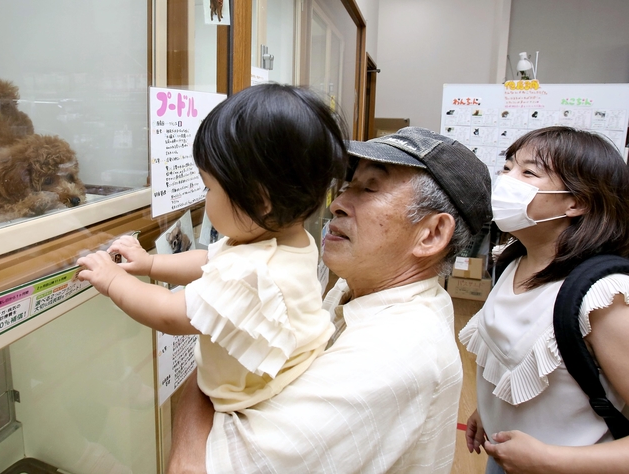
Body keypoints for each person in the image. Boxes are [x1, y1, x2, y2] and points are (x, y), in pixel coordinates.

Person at [167, 126, 493, 473]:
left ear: (431, 234)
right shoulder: (355, 290)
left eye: (370, 188)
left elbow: (195, 468)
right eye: (349, 185)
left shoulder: (394, 350)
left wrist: (215, 355)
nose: (337, 204)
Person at [77, 83, 347, 412]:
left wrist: (112, 280)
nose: (205, 198)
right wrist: (150, 264)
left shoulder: (254, 273)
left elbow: (168, 314)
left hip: (257, 401)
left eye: (208, 187)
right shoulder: (289, 240)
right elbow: (209, 260)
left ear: (258, 200)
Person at [459, 126, 629, 473]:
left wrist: (548, 460)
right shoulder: (512, 261)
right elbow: (517, 360)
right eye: (507, 167)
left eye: (528, 173)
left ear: (577, 202)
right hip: (506, 459)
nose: (506, 181)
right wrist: (489, 410)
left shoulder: (603, 298)